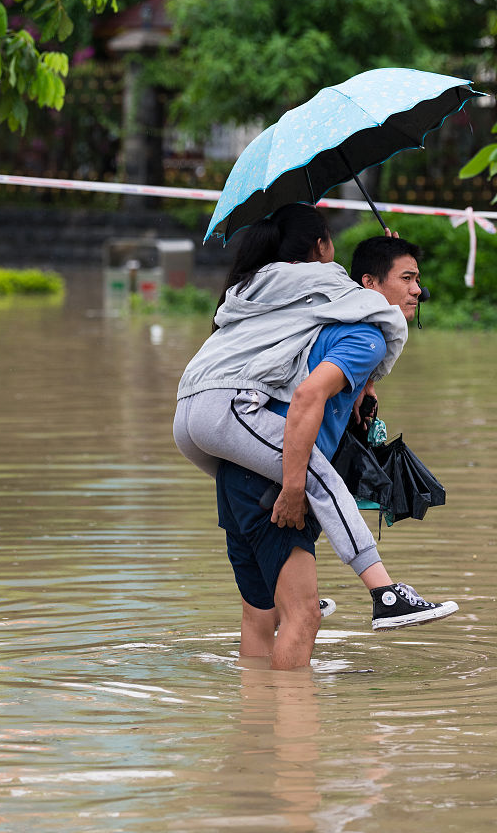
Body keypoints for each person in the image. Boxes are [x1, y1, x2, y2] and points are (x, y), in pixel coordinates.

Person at [173, 205, 457, 666]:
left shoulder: (285, 308)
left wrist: (387, 261)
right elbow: (307, 398)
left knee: (260, 617)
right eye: (406, 278)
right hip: (267, 474)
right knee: (303, 612)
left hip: (215, 443)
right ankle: (383, 594)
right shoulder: (362, 331)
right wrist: (291, 486)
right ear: (366, 282)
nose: (417, 290)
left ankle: (258, 724)